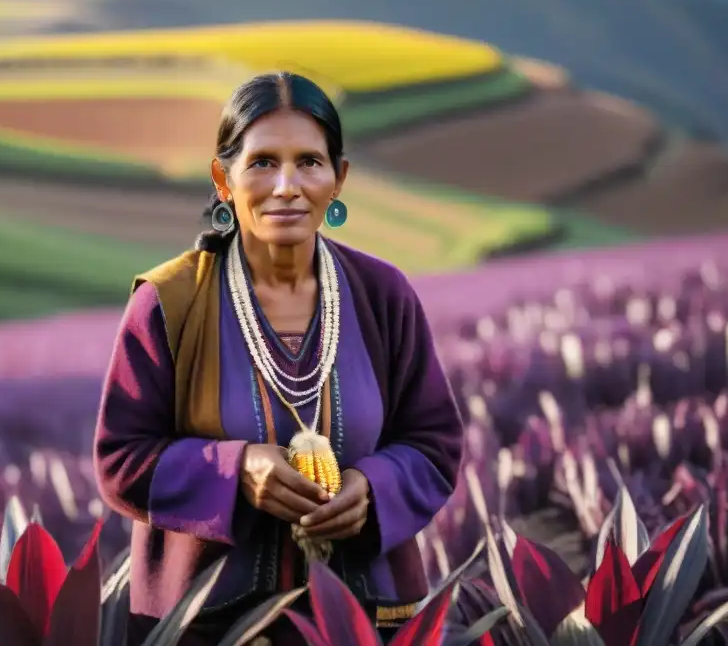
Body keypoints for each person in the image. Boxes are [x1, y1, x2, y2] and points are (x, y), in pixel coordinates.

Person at [93, 71, 464, 645]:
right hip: (207, 628)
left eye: (309, 162)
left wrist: (372, 488)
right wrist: (237, 470)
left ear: (338, 179)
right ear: (224, 178)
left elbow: (434, 444)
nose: (287, 185)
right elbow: (121, 460)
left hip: (364, 624)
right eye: (263, 162)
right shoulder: (169, 303)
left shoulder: (383, 295)